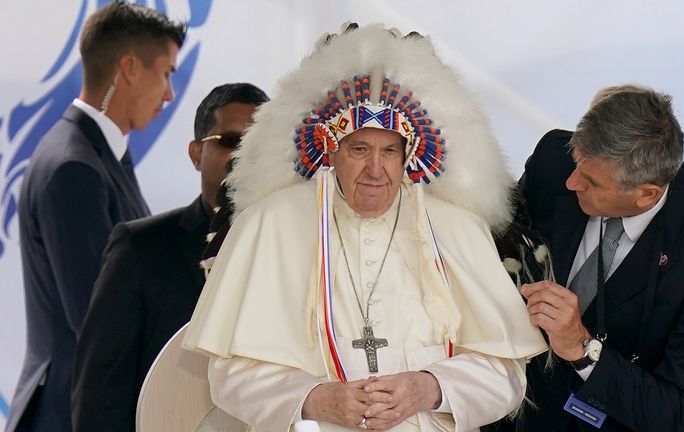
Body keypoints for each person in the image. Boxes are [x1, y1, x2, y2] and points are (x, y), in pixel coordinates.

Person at [182, 23, 547, 431]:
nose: (376, 170)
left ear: (408, 154)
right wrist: (316, 399)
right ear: (330, 151)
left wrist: (428, 388)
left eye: (390, 151)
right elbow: (230, 375)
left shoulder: (457, 229)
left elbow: (505, 374)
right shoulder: (270, 224)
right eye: (359, 149)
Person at [516, 85, 684, 431]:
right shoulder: (553, 158)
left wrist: (582, 348)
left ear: (647, 194)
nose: (571, 183)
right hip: (524, 404)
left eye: (591, 182)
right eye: (576, 162)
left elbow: (683, 415)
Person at [7, 3, 186, 431]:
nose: (169, 94)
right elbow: (97, 319)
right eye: (166, 73)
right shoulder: (76, 168)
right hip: (69, 415)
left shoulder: (95, 156)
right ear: (129, 68)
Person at [70, 83, 269, 432]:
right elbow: (100, 395)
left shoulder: (296, 250)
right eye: (229, 141)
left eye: (258, 145)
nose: (243, 157)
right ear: (195, 154)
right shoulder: (139, 248)